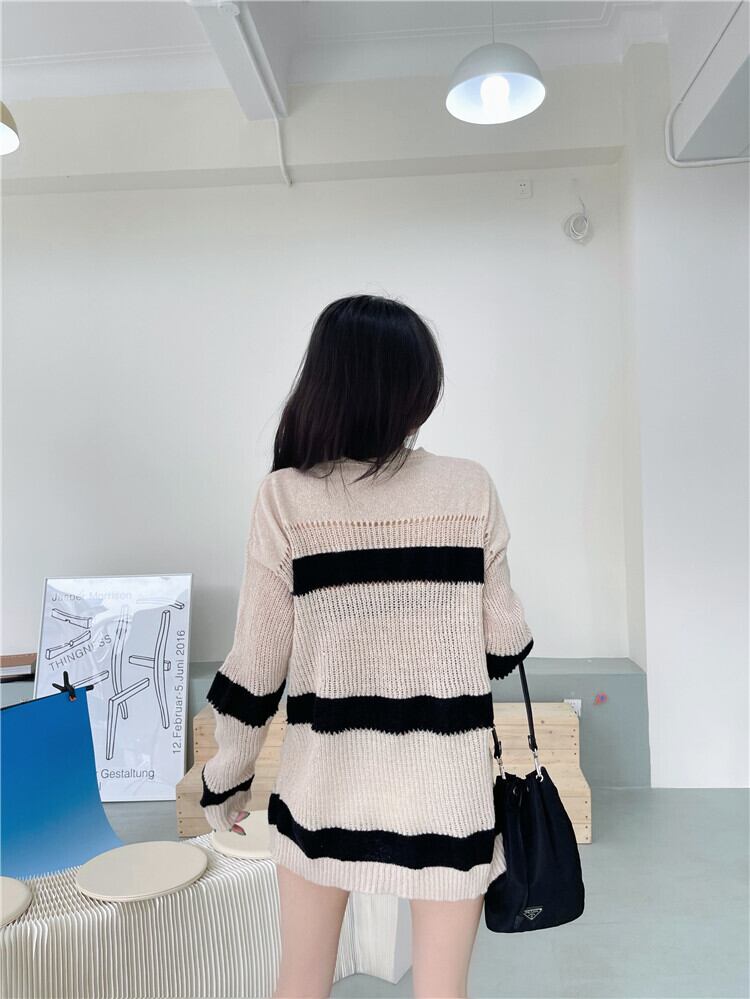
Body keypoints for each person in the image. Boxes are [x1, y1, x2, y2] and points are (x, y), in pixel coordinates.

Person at [199, 294, 534, 999]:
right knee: (442, 989)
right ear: (416, 389)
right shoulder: (469, 486)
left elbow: (257, 662)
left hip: (323, 788)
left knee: (301, 980)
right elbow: (504, 645)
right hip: (447, 793)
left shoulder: (284, 497)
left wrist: (226, 776)